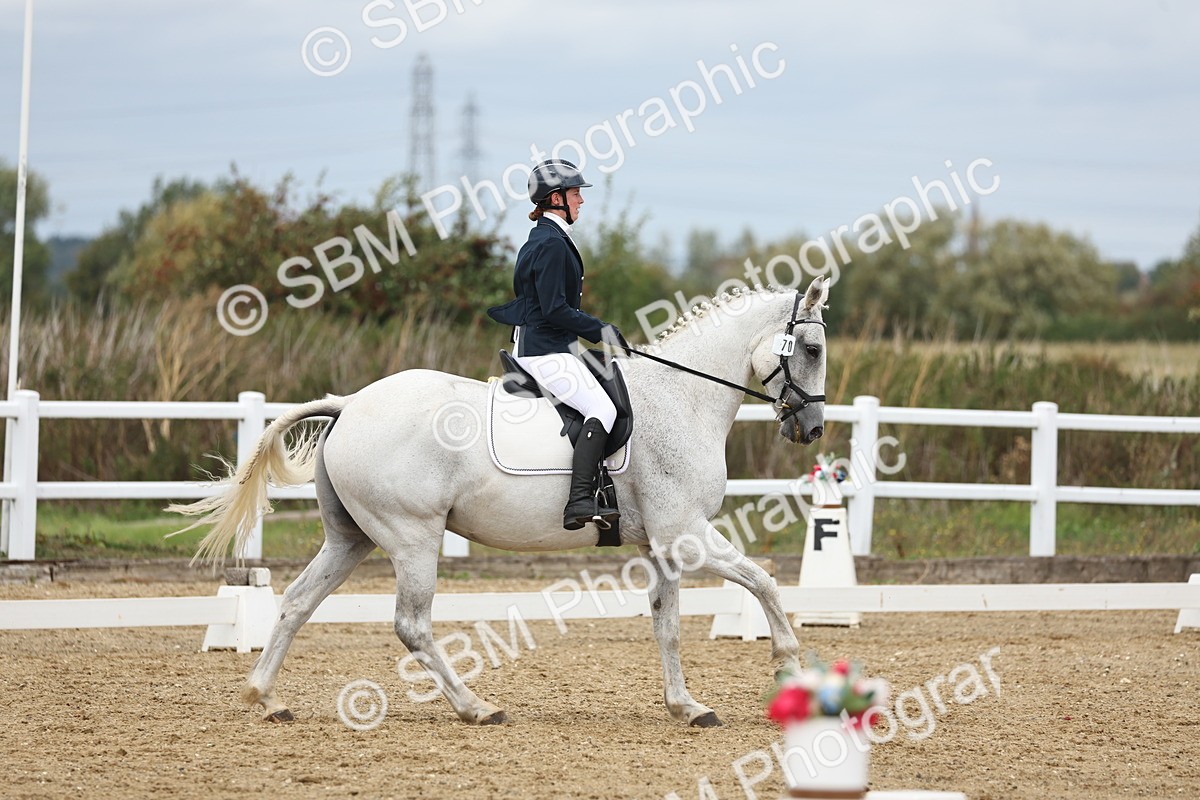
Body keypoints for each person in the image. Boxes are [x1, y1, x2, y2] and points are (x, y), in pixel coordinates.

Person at [487, 159, 628, 531]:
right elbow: (554, 309)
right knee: (603, 407)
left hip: (549, 345)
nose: (581, 200)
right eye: (576, 193)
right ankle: (579, 499)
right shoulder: (550, 243)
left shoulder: (548, 238)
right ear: (556, 198)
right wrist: (602, 331)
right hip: (544, 350)